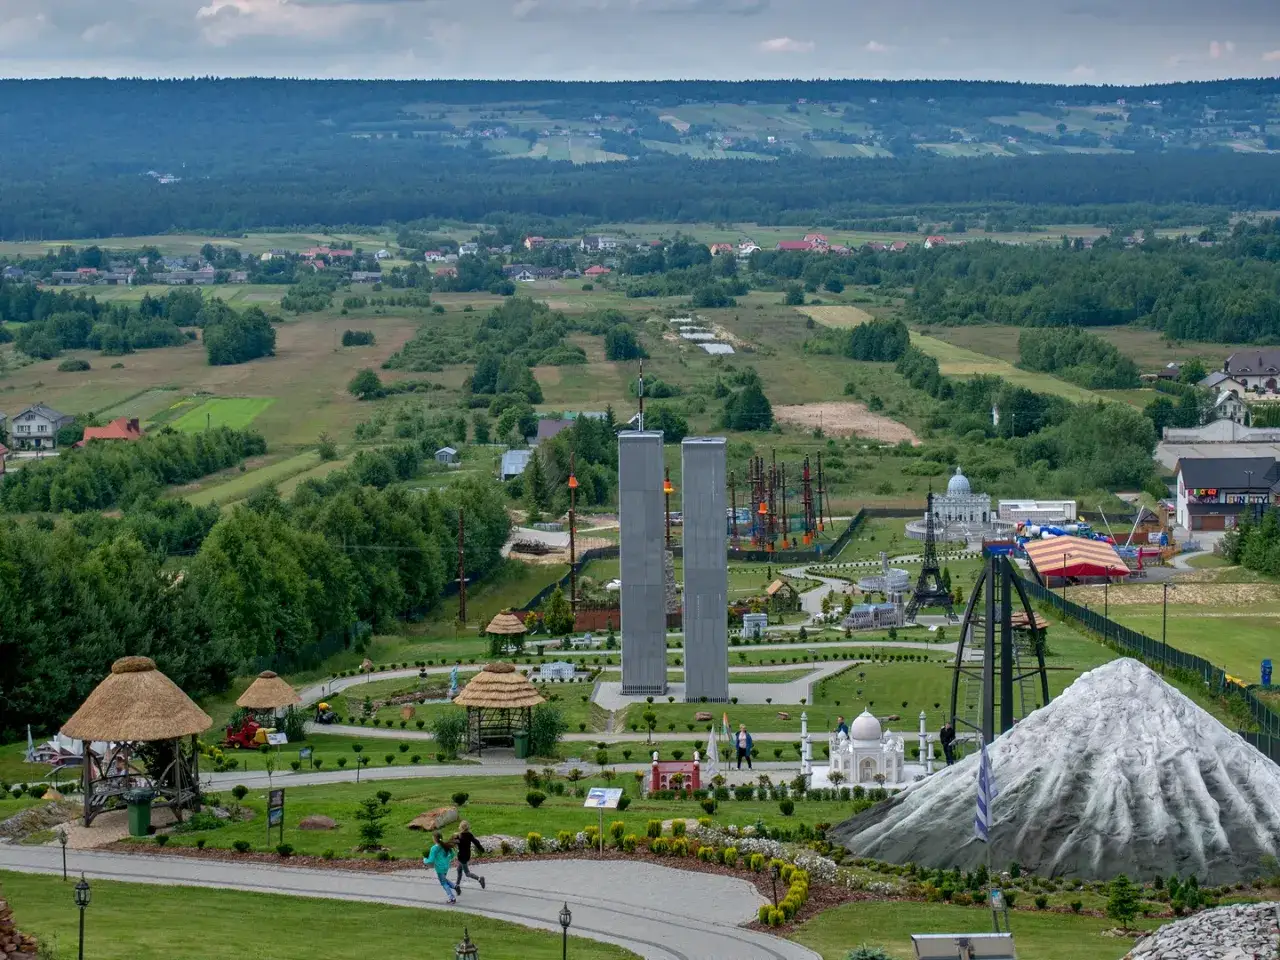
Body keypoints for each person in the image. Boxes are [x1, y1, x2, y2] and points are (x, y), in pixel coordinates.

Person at [453, 820, 487, 893]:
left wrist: (454, 838)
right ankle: (457, 886)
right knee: (459, 870)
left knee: (467, 873)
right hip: (467, 855)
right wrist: (481, 849)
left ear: (460, 827)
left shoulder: (460, 836)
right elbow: (476, 842)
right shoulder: (469, 835)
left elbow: (454, 843)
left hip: (462, 857)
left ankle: (479, 879)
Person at [424, 831, 458, 904]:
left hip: (439, 868)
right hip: (446, 867)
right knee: (444, 879)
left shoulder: (434, 848)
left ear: (434, 839)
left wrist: (425, 860)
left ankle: (452, 898)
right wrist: (447, 860)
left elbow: (431, 860)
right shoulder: (445, 845)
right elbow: (452, 854)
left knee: (443, 883)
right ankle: (455, 886)